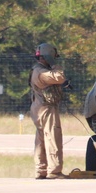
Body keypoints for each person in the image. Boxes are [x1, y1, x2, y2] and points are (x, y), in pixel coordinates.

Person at [29, 42, 68, 179]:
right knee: (52, 136)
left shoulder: (37, 70)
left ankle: (41, 170)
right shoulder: (42, 72)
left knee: (40, 139)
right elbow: (60, 77)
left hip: (38, 107)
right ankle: (54, 171)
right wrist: (54, 65)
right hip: (46, 108)